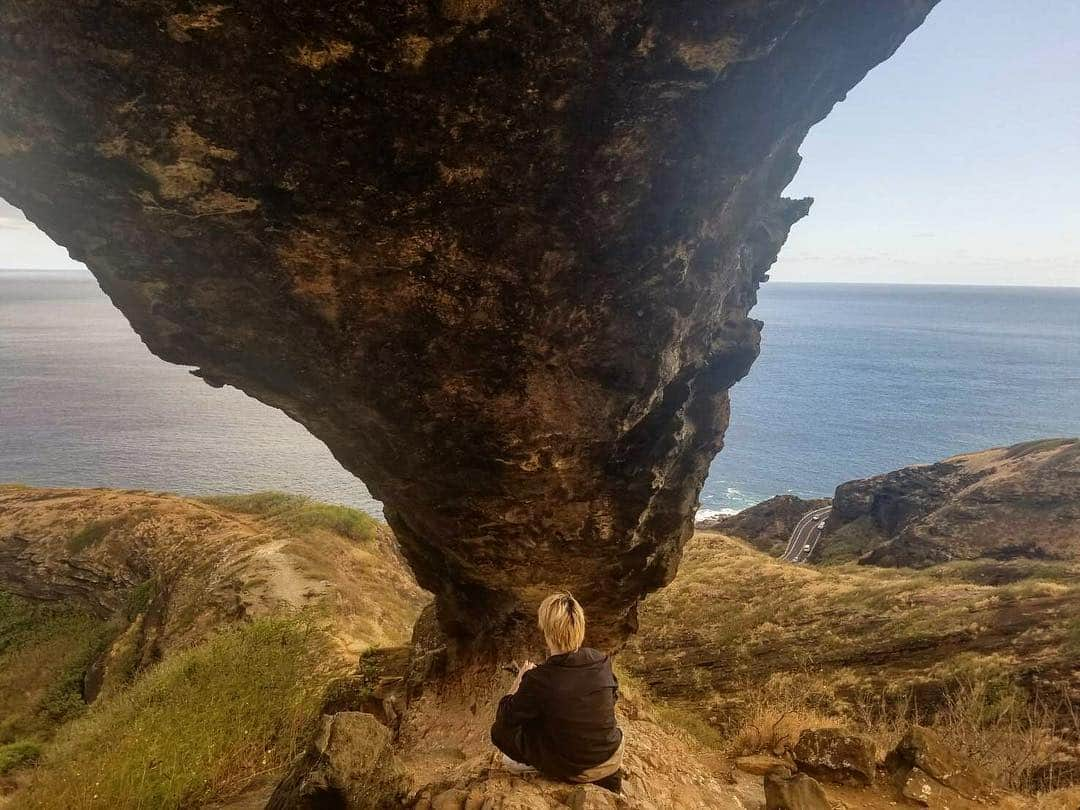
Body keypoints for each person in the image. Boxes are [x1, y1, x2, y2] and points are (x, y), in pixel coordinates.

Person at [490, 592, 625, 793]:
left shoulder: (538, 679)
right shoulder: (601, 660)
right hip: (611, 757)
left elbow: (505, 718)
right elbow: (613, 696)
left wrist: (520, 681)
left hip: (575, 769)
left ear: (546, 631)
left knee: (499, 733)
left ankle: (543, 770)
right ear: (580, 627)